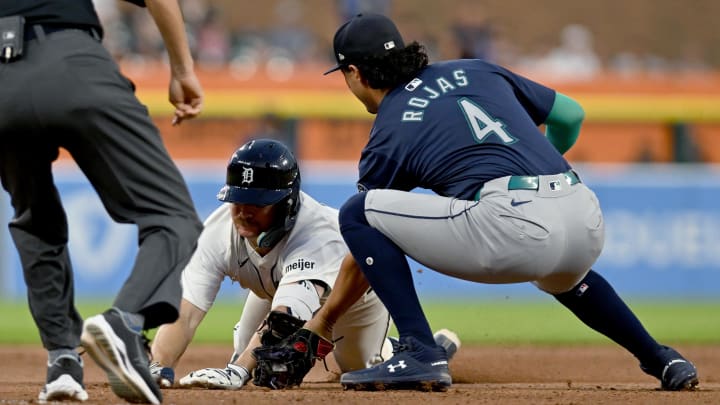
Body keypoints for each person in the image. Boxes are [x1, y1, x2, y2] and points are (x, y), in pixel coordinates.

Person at [309, 13, 699, 392]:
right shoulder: (477, 69)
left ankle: (419, 349)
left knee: (358, 213)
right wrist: (539, 176)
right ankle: (663, 358)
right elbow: (571, 115)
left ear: (355, 72)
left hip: (514, 226)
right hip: (582, 213)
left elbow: (365, 240)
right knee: (565, 276)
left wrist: (323, 322)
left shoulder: (387, 132)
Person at [0, 1, 204, 403]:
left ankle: (62, 361)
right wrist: (182, 70)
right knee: (173, 214)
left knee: (33, 217)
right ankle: (124, 320)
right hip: (69, 57)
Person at [147, 138, 460, 390]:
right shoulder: (218, 232)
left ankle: (427, 349)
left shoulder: (316, 233)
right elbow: (185, 313)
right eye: (237, 199)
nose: (243, 211)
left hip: (353, 297)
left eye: (257, 203)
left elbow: (285, 319)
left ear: (286, 202)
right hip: (278, 289)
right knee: (250, 352)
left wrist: (236, 372)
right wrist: (157, 368)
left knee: (360, 366)